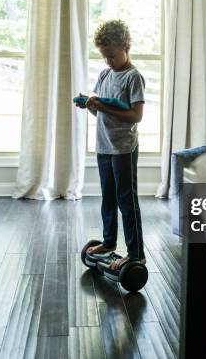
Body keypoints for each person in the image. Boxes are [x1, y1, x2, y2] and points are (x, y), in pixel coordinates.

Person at [75, 19, 146, 270]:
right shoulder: (105, 74)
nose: (108, 62)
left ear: (126, 46)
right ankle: (108, 242)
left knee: (126, 200)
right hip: (104, 146)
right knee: (108, 197)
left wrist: (102, 106)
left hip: (124, 148)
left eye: (113, 56)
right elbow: (102, 113)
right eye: (105, 57)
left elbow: (136, 116)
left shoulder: (133, 77)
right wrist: (91, 106)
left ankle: (136, 253)